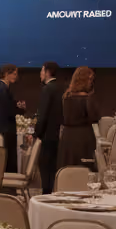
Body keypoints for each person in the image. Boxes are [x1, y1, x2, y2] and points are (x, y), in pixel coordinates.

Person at [58, 65, 100, 170]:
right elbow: (95, 117)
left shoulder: (66, 97)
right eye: (90, 79)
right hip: (83, 137)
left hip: (67, 137)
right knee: (84, 168)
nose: (91, 82)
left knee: (68, 168)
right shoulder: (87, 98)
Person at [34, 61, 65, 193]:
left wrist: (37, 134)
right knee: (54, 167)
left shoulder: (47, 89)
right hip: (59, 133)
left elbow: (43, 115)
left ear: (47, 72)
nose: (40, 74)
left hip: (47, 134)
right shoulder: (62, 87)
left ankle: (45, 195)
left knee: (45, 168)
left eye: (41, 71)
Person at [0, 64, 25, 173]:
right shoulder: (3, 90)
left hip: (1, 128)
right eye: (14, 74)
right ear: (6, 74)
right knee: (6, 162)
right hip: (5, 130)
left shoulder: (1, 88)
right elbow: (8, 111)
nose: (16, 76)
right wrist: (20, 109)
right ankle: (8, 187)